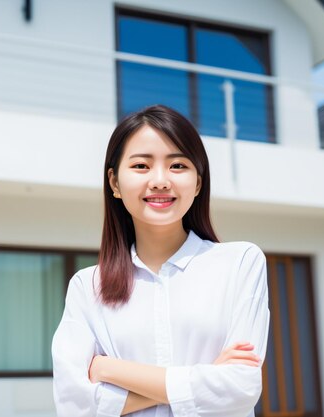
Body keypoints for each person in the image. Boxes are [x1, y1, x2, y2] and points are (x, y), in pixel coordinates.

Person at [51, 104, 270, 417]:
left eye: (178, 166)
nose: (160, 180)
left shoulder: (239, 263)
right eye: (141, 166)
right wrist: (205, 377)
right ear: (114, 183)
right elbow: (74, 407)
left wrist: (109, 369)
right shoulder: (88, 286)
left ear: (197, 182)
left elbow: (241, 389)